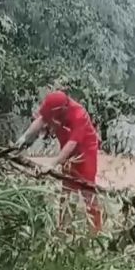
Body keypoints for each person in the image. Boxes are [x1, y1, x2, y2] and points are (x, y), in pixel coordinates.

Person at [15, 90, 102, 232]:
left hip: (85, 151)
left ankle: (97, 230)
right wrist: (24, 138)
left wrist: (52, 164)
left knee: (88, 190)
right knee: (67, 189)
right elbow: (41, 120)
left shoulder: (79, 115)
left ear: (61, 110)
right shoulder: (53, 107)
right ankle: (63, 229)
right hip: (66, 149)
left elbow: (71, 145)